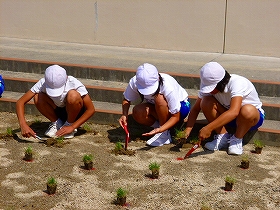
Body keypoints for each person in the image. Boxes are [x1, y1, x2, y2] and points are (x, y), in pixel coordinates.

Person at [185, 62, 265, 155]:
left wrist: (208, 128)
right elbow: (196, 109)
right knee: (205, 101)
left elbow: (234, 112)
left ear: (221, 82)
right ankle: (223, 136)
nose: (209, 90)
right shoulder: (209, 85)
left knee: (247, 110)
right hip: (228, 118)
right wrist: (188, 129)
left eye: (211, 87)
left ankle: (237, 139)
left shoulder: (237, 83)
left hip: (250, 119)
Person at [119, 63, 190, 147]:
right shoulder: (135, 81)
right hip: (158, 107)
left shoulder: (168, 86)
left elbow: (176, 116)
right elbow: (127, 99)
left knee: (159, 98)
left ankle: (164, 134)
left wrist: (161, 129)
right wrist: (124, 115)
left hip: (181, 107)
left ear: (158, 79)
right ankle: (165, 129)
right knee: (138, 111)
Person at [16, 64, 95, 139]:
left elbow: (91, 109)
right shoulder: (42, 83)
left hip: (75, 112)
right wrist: (23, 124)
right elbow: (20, 102)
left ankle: (69, 124)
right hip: (58, 110)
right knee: (37, 96)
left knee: (73, 95)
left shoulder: (74, 83)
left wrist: (72, 126)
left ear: (66, 78)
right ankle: (57, 123)